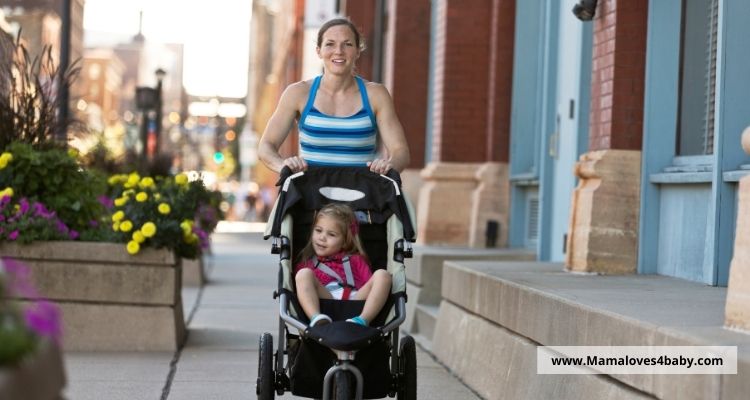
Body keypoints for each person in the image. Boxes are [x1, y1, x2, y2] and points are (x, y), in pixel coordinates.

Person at [258, 17, 410, 175]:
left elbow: (401, 151)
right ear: (319, 51)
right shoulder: (297, 93)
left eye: (348, 44)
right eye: (330, 44)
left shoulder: (376, 95)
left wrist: (389, 165)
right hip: (310, 195)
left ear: (358, 51)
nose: (338, 51)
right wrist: (283, 166)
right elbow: (266, 146)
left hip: (362, 195)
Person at [294, 203, 392, 327]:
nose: (322, 237)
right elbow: (303, 290)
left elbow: (370, 286)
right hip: (326, 302)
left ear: (345, 240)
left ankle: (363, 320)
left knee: (382, 275)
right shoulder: (307, 264)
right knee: (303, 274)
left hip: (355, 302)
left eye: (331, 234)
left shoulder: (356, 260)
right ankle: (316, 318)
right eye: (318, 230)